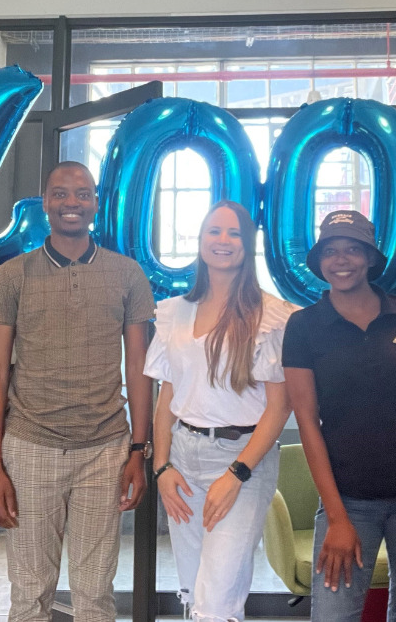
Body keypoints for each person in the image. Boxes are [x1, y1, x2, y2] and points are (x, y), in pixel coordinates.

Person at [0, 161, 155, 622]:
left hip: (106, 449)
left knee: (95, 593)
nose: (71, 202)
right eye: (60, 193)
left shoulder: (127, 273)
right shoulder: (13, 276)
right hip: (30, 446)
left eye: (81, 193)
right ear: (45, 202)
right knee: (30, 590)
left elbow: (138, 367)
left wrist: (139, 447)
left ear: (96, 203)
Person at [283, 210, 396, 622]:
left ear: (371, 258)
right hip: (349, 499)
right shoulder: (303, 326)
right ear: (319, 261)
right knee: (334, 616)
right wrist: (336, 516)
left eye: (353, 249)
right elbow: (307, 421)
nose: (342, 259)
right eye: (331, 251)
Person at [145, 200, 293, 621]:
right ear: (200, 240)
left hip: (241, 460)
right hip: (183, 460)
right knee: (194, 592)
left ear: (247, 246)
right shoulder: (174, 311)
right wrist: (161, 467)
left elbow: (279, 408)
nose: (223, 241)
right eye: (214, 231)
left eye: (234, 234)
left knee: (219, 600)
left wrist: (238, 474)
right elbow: (166, 399)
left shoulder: (269, 314)